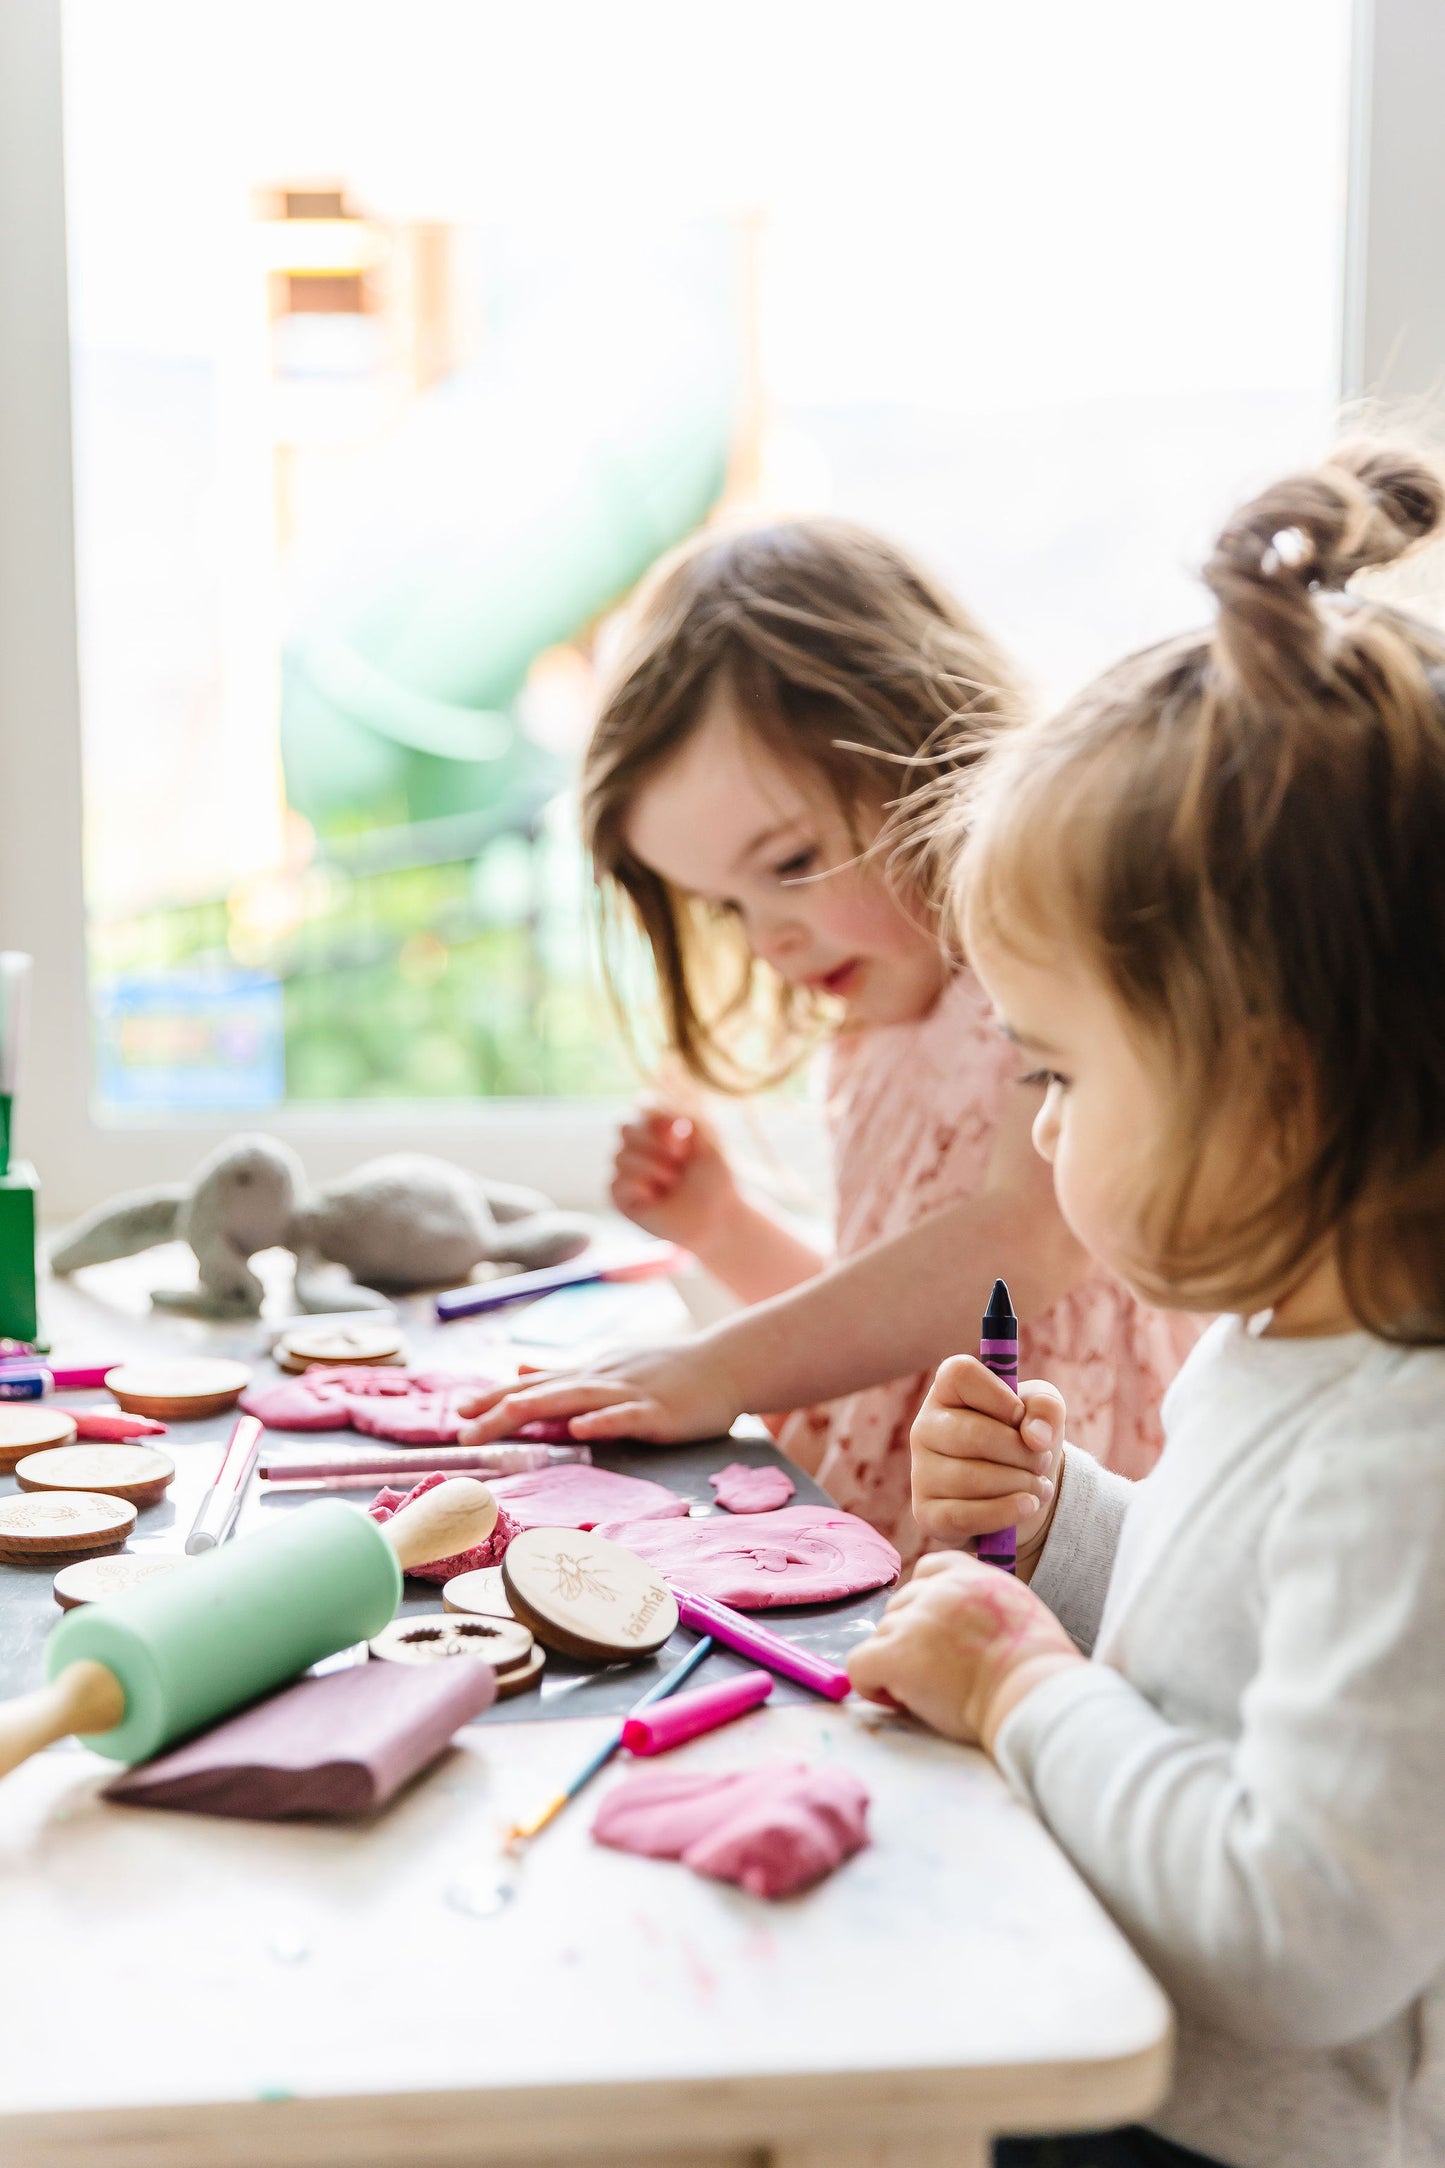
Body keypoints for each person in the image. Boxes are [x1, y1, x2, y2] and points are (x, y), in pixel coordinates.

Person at [850, 443, 1445, 2167]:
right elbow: (1219, 1662)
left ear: (1271, 1090)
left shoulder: (1408, 1450)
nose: (1036, 1126)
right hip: (1130, 2071)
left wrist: (1024, 1689)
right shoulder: (1293, 1342)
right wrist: (1067, 1529)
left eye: (1057, 1070)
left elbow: (1309, 1932)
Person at [460, 520, 1197, 1563]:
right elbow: (890, 1325)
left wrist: (713, 1367)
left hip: (1052, 1539)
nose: (769, 937)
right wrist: (725, 1230)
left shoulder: (1036, 982)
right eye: (722, 906)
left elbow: (1015, 1250)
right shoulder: (877, 1033)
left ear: (924, 745)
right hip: (915, 1527)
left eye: (789, 859)